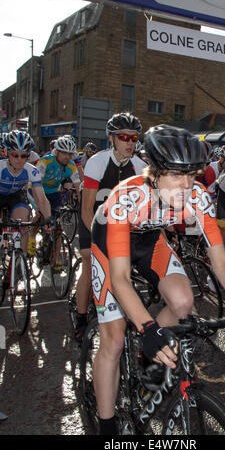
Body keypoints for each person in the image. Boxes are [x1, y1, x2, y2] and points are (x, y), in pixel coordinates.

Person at [90, 124, 225, 435]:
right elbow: (120, 278)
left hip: (149, 239)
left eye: (192, 175)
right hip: (109, 242)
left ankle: (145, 360)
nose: (186, 186)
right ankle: (107, 425)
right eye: (177, 176)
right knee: (114, 337)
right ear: (155, 172)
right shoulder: (127, 197)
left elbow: (220, 261)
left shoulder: (198, 196)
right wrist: (147, 327)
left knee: (183, 301)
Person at [74, 112, 147, 341]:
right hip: (93, 219)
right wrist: (99, 240)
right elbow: (86, 209)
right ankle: (81, 316)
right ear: (112, 138)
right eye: (124, 137)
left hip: (118, 222)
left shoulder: (139, 165)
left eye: (134, 138)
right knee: (89, 261)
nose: (130, 143)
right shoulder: (97, 162)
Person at [0, 130, 52, 251]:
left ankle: (20, 264)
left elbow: (41, 199)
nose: (19, 159)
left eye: (24, 156)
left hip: (15, 196)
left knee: (23, 224)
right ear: (7, 153)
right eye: (15, 155)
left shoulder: (32, 171)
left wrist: (48, 218)